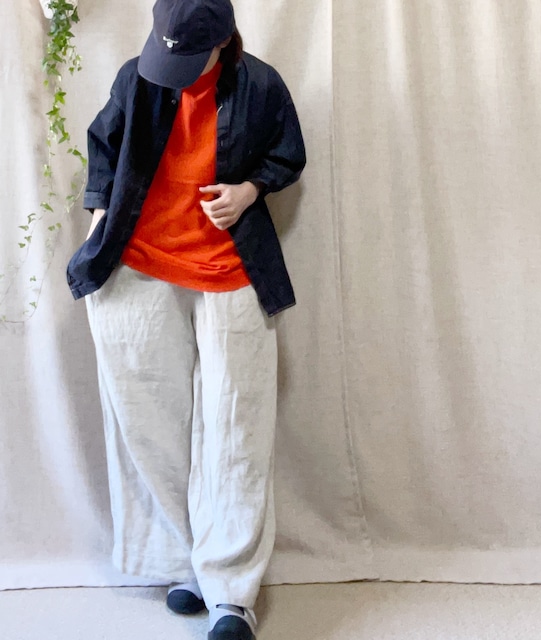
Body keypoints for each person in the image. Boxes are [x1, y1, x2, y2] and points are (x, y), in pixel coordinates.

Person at [66, 1, 306, 638]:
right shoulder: (136, 76)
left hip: (230, 269)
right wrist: (99, 219)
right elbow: (103, 147)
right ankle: (184, 561)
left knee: (234, 425)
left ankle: (231, 591)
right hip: (139, 265)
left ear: (222, 41)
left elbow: (288, 153)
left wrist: (249, 190)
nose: (169, 68)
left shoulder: (260, 84)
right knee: (152, 418)